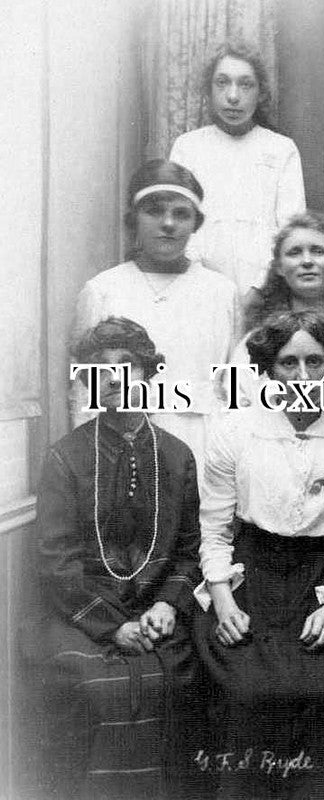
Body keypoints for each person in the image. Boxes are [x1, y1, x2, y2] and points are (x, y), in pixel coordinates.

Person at [25, 318, 206, 799]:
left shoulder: (177, 455)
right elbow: (55, 562)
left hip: (156, 611)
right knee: (86, 682)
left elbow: (189, 552)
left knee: (179, 674)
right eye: (99, 370)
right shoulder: (65, 458)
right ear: (87, 384)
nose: (115, 378)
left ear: (150, 376)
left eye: (127, 366)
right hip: (83, 612)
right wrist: (112, 627)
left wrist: (168, 605)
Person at [193, 310, 324, 799]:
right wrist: (224, 601)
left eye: (315, 361)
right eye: (289, 362)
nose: (303, 376)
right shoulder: (234, 433)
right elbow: (214, 533)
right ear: (268, 370)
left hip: (321, 583)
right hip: (249, 582)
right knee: (247, 692)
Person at [74, 159, 238, 467]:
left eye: (181, 214)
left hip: (204, 445)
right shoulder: (103, 290)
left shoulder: (221, 292)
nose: (168, 224)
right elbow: (84, 391)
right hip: (120, 445)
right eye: (154, 211)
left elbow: (236, 388)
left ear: (195, 224)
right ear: (134, 220)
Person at [170, 40, 306, 297]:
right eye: (222, 82)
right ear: (208, 90)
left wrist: (259, 289)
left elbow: (290, 229)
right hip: (199, 286)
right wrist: (204, 284)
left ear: (261, 92)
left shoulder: (281, 149)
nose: (233, 96)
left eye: (245, 84)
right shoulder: (188, 147)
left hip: (265, 288)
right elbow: (181, 221)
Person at [231, 211, 324, 425]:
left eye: (318, 251)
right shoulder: (255, 342)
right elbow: (235, 417)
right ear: (279, 268)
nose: (307, 261)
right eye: (294, 252)